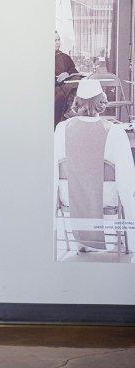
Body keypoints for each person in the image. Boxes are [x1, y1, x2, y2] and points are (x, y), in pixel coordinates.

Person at [53, 79, 135, 260]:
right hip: (105, 198)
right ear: (102, 103)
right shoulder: (115, 132)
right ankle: (118, 239)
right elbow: (127, 179)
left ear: (77, 102)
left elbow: (52, 171)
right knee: (126, 177)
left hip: (70, 197)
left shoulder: (61, 130)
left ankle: (81, 241)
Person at [55, 31, 79, 126]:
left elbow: (74, 71)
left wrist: (67, 73)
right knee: (60, 97)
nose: (57, 42)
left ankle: (71, 110)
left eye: (58, 40)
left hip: (67, 84)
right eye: (54, 40)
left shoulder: (65, 57)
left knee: (78, 79)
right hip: (54, 87)